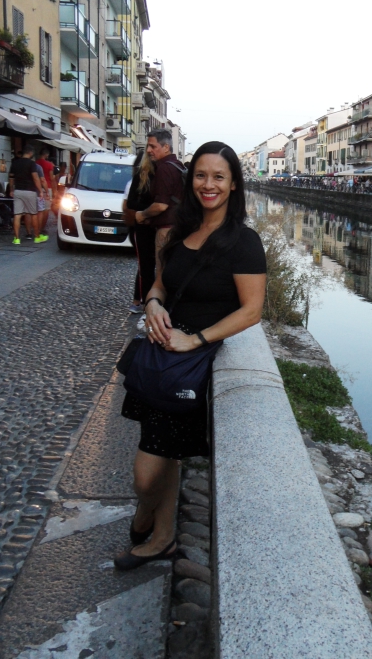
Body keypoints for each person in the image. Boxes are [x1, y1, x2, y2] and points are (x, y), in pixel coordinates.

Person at [115, 141, 266, 571]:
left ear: (233, 184)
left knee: (149, 471)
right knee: (162, 455)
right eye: (201, 175)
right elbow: (159, 284)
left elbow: (251, 311)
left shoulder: (243, 242)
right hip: (159, 359)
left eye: (218, 176)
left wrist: (195, 339)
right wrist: (153, 304)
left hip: (190, 367)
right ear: (191, 180)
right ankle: (162, 536)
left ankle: (148, 516)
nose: (208, 184)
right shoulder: (179, 232)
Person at [134, 129, 185, 275]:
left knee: (162, 276)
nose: (148, 151)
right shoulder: (178, 165)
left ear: (166, 147)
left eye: (153, 146)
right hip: (178, 228)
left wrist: (142, 215)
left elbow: (161, 205)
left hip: (166, 232)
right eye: (148, 146)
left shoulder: (164, 168)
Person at [124, 151, 156, 314]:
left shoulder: (162, 174)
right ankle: (142, 301)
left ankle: (148, 301)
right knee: (146, 266)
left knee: (152, 266)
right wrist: (146, 212)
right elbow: (129, 204)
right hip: (142, 227)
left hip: (156, 226)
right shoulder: (138, 178)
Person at [8, 145, 48, 245]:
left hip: (18, 191)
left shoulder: (15, 163)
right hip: (30, 191)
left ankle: (17, 238)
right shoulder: (31, 164)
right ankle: (37, 237)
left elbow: (11, 178)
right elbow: (35, 178)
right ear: (30, 153)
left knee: (17, 215)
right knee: (33, 214)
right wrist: (40, 190)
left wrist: (11, 190)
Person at [36, 147, 55, 235]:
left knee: (38, 209)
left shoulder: (35, 163)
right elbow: (51, 178)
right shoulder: (49, 165)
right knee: (46, 209)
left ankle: (37, 227)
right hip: (47, 187)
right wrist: (54, 191)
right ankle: (42, 228)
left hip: (36, 187)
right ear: (46, 155)